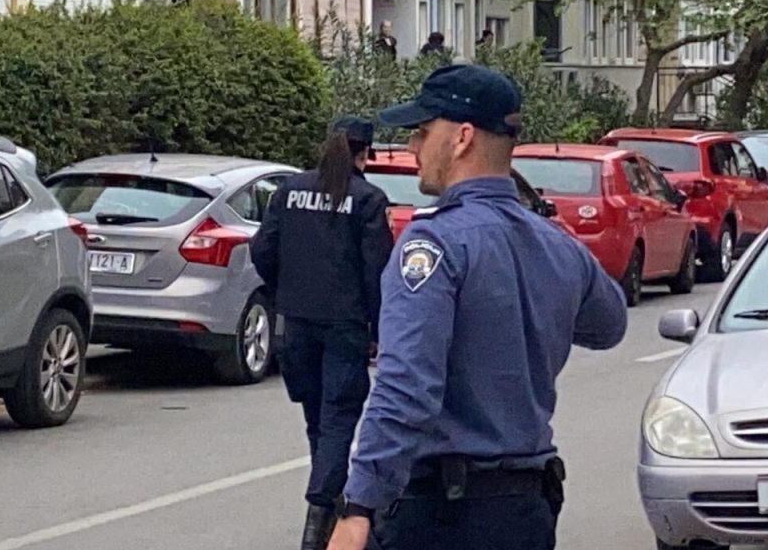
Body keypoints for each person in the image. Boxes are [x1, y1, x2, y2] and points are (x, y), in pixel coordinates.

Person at [327, 65, 628, 550]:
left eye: (423, 132)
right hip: (526, 510)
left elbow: (406, 387)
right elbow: (609, 323)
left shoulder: (434, 243)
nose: (412, 148)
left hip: (443, 515)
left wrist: (358, 506)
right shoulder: (554, 243)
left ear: (462, 137)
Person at [251, 116, 394, 550]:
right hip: (344, 328)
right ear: (364, 153)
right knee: (337, 421)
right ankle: (318, 523)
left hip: (296, 324)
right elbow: (377, 271)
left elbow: (262, 250)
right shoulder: (368, 198)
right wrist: (379, 326)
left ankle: (328, 503)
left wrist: (284, 291)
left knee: (318, 419)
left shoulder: (289, 191)